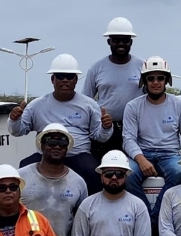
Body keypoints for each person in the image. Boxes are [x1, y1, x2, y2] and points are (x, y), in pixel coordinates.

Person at [8, 53, 113, 193]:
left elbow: (99, 136)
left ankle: (90, 209)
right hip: (45, 155)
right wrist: (15, 120)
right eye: (60, 76)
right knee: (24, 168)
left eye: (69, 77)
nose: (65, 80)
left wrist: (106, 127)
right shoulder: (37, 105)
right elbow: (17, 131)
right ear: (53, 79)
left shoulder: (89, 104)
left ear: (76, 80)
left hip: (78, 155)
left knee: (93, 172)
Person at [121, 56, 181, 215]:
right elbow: (128, 139)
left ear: (167, 80)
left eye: (160, 78)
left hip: (170, 155)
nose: (156, 82)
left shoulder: (179, 105)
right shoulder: (133, 107)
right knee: (127, 175)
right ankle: (144, 215)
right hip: (142, 154)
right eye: (151, 78)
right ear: (144, 81)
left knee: (180, 173)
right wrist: (141, 160)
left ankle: (154, 218)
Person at [81, 17, 143, 162]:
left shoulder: (142, 66)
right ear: (109, 41)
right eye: (116, 40)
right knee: (104, 172)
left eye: (125, 40)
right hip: (105, 131)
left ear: (131, 42)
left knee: (131, 173)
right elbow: (86, 102)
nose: (121, 43)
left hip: (135, 131)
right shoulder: (97, 68)